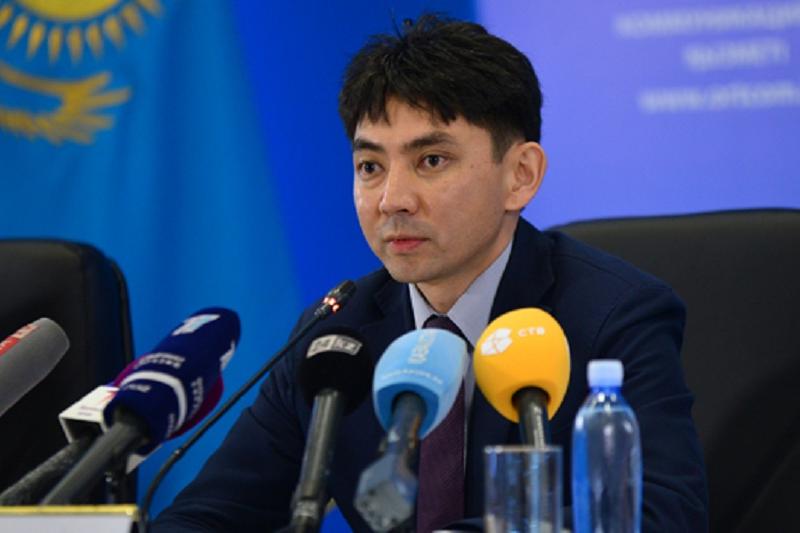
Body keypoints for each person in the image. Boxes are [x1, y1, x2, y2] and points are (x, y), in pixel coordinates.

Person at [153, 15, 708, 532]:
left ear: (521, 174)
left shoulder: (612, 316)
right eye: (370, 166)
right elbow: (212, 515)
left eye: (431, 161)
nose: (392, 199)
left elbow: (659, 512)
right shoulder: (337, 338)